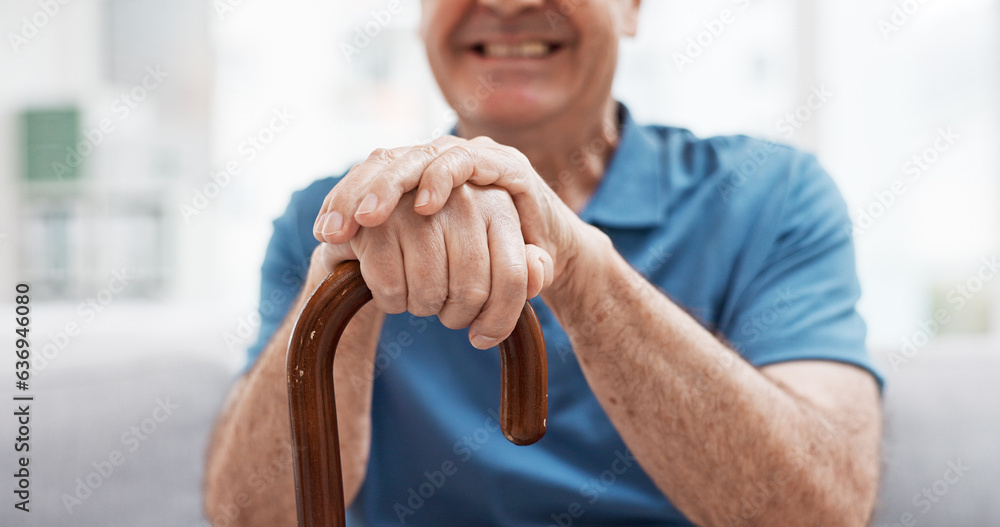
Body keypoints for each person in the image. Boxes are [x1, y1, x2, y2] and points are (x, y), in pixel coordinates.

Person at [204, 0, 883, 525]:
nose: (506, 3)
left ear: (635, 6)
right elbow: (250, 517)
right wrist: (347, 268)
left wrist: (582, 270)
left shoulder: (771, 195)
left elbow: (822, 511)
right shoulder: (326, 220)